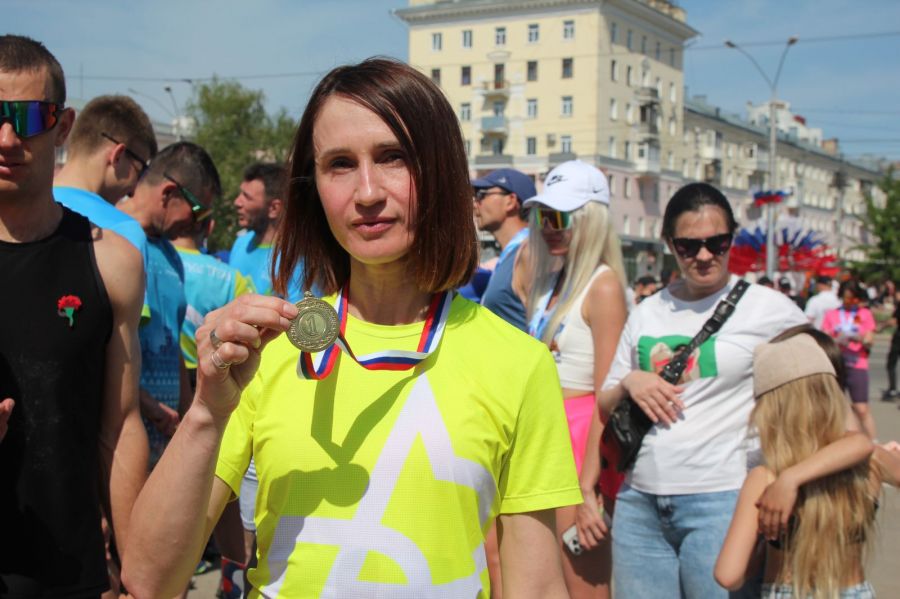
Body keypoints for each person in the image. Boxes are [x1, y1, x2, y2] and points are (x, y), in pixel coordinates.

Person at [122, 58, 580, 598]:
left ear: (440, 170)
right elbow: (148, 578)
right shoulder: (263, 351)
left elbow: (536, 585)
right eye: (340, 164)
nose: (366, 193)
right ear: (313, 188)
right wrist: (206, 411)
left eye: (393, 158)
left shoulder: (518, 364)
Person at [598, 182, 808, 599]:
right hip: (640, 501)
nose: (705, 255)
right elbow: (604, 402)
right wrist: (631, 381)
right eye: (689, 246)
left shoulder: (769, 309)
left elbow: (821, 386)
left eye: (717, 242)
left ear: (732, 239)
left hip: (723, 499)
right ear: (669, 244)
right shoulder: (647, 311)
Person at [0, 34, 148, 596]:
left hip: (70, 576)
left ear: (62, 127)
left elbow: (120, 426)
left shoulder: (111, 262)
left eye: (28, 117)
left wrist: (136, 575)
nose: (8, 137)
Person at [515, 159, 628, 599]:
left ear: (590, 220)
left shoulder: (603, 286)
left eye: (560, 217)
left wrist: (588, 484)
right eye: (542, 216)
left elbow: (606, 394)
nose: (548, 227)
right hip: (544, 433)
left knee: (582, 583)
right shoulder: (552, 281)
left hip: (579, 440)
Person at [715, 332, 900, 598]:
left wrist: (764, 544)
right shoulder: (871, 461)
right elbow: (864, 445)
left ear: (768, 409)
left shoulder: (765, 478)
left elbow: (728, 575)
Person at [118, 141, 221, 466]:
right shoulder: (110, 239)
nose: (196, 224)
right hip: (119, 446)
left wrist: (188, 418)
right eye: (198, 210)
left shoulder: (172, 257)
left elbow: (173, 342)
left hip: (165, 441)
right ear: (169, 193)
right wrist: (149, 406)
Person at [171, 218, 255, 596]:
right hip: (225, 376)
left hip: (178, 378)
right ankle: (232, 578)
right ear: (207, 223)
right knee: (225, 492)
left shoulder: (154, 257)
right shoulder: (230, 275)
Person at [53, 94, 157, 257]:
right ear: (117, 156)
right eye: (140, 170)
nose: (133, 191)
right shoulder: (124, 233)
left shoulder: (23, 208)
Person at [229, 162, 304, 301]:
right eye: (240, 194)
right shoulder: (240, 243)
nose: (237, 202)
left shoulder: (295, 258)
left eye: (247, 197)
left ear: (274, 208)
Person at [472, 167, 535, 331]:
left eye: (481, 195)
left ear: (510, 201)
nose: (474, 204)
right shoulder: (512, 253)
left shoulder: (529, 252)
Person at [821, 280, 877, 440]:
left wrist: (860, 338)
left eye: (853, 298)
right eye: (846, 298)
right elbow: (824, 337)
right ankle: (845, 441)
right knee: (836, 406)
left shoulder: (864, 314)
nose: (850, 302)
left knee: (861, 408)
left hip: (857, 363)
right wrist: (836, 339)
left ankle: (873, 442)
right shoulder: (832, 314)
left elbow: (870, 339)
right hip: (836, 363)